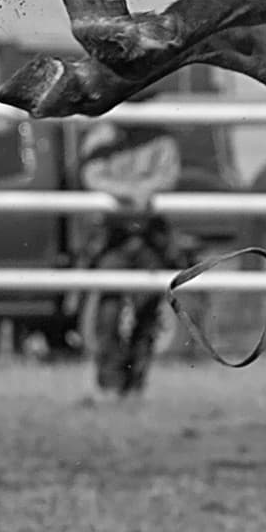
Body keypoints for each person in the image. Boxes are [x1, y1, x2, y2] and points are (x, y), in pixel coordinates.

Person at [75, 116, 185, 396]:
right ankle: (111, 382)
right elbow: (91, 175)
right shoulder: (101, 137)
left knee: (148, 309)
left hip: (149, 233)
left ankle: (135, 382)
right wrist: (134, 191)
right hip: (114, 234)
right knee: (109, 309)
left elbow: (169, 176)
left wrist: (131, 190)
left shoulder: (160, 138)